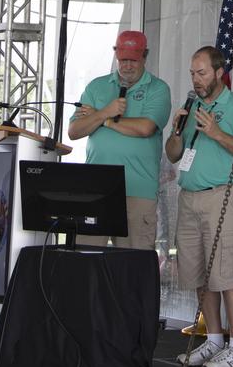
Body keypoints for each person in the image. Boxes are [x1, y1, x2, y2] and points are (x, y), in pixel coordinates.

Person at [166, 46, 233, 367]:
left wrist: (218, 133)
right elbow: (173, 153)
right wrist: (177, 130)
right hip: (189, 198)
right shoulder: (192, 106)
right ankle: (214, 338)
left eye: (202, 73)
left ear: (219, 72)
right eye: (192, 73)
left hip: (222, 196)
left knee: (227, 276)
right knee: (201, 276)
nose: (196, 80)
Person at [68, 31, 171, 249]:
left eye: (133, 60)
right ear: (116, 55)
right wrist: (106, 111)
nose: (127, 66)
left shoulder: (158, 88)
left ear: (145, 56)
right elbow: (74, 131)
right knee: (86, 259)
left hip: (138, 191)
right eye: (123, 59)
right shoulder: (97, 86)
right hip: (96, 189)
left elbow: (145, 128)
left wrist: (104, 120)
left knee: (132, 266)